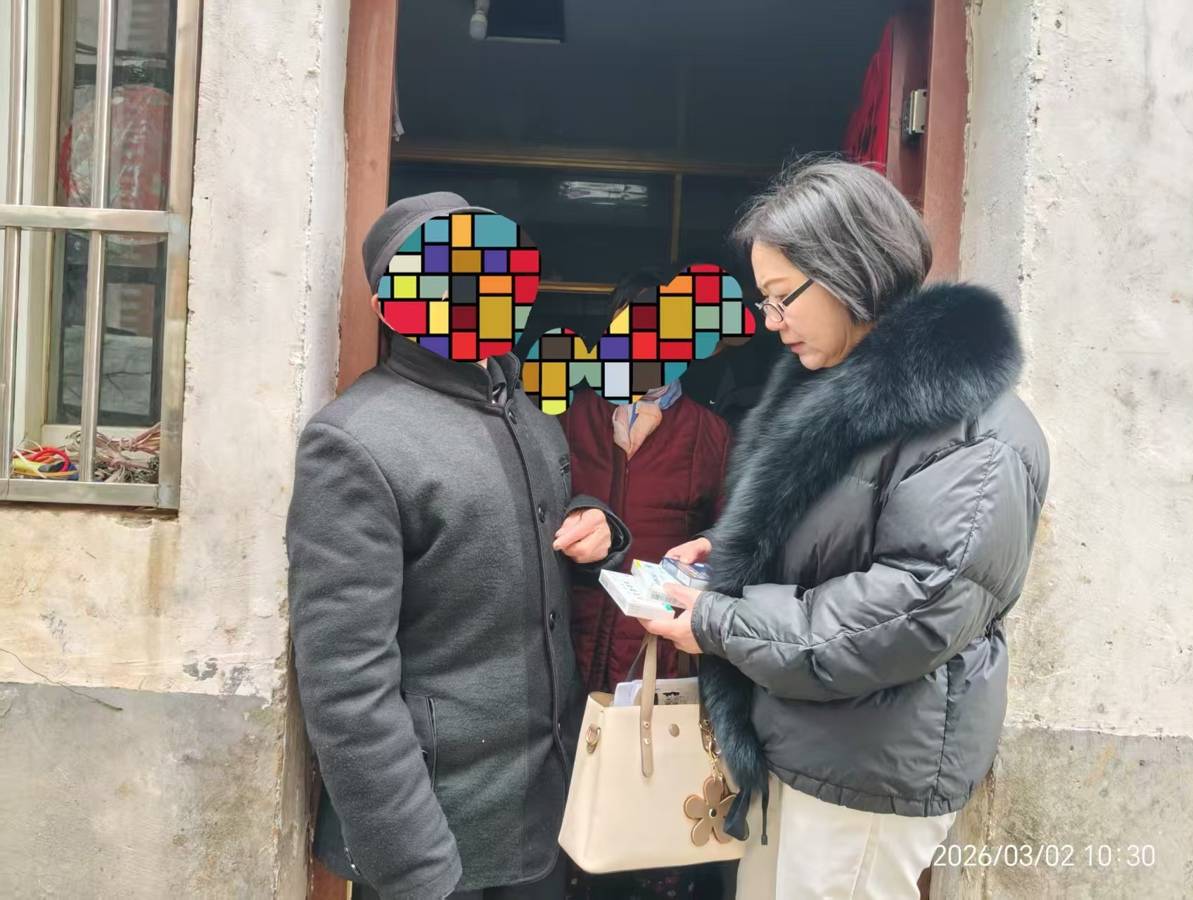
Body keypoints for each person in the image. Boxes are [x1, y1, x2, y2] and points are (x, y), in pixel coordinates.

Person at [643, 159, 1049, 899]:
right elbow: (832, 540)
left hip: (868, 774)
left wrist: (721, 621)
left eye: (781, 297)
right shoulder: (837, 394)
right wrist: (730, 556)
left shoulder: (975, 432)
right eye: (764, 300)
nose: (770, 322)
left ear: (848, 271)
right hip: (807, 745)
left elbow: (913, 610)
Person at [287, 192, 631, 900]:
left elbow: (526, 535)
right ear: (390, 309)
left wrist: (597, 529)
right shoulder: (355, 440)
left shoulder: (523, 408)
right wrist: (415, 867)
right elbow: (346, 680)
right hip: (440, 833)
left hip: (540, 811)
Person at [559, 271, 731, 900]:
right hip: (570, 633)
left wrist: (698, 569)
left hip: (660, 646)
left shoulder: (711, 434)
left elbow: (729, 536)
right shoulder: (568, 415)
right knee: (571, 784)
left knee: (650, 785)